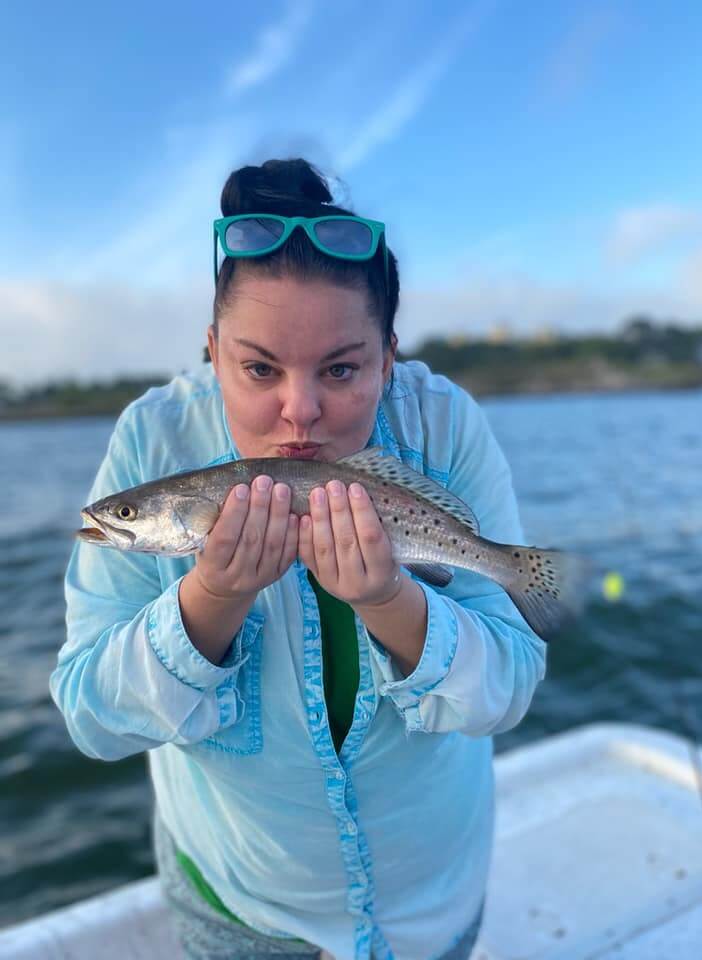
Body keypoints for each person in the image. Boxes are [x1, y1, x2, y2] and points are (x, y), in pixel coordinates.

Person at [50, 158, 546, 960]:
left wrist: (392, 601)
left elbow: (511, 686)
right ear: (212, 352)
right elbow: (90, 716)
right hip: (239, 908)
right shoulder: (152, 437)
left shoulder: (446, 426)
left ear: (389, 355)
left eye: (343, 369)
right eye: (258, 369)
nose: (301, 410)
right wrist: (209, 599)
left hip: (433, 907)